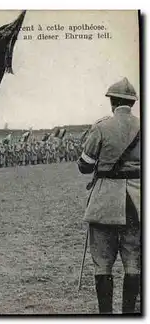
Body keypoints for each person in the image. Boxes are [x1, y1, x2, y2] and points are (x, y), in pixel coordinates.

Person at [77, 77, 140, 314]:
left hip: (105, 202)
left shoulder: (102, 127)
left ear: (112, 102)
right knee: (133, 261)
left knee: (103, 263)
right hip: (137, 202)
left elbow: (85, 165)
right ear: (132, 103)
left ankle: (105, 315)